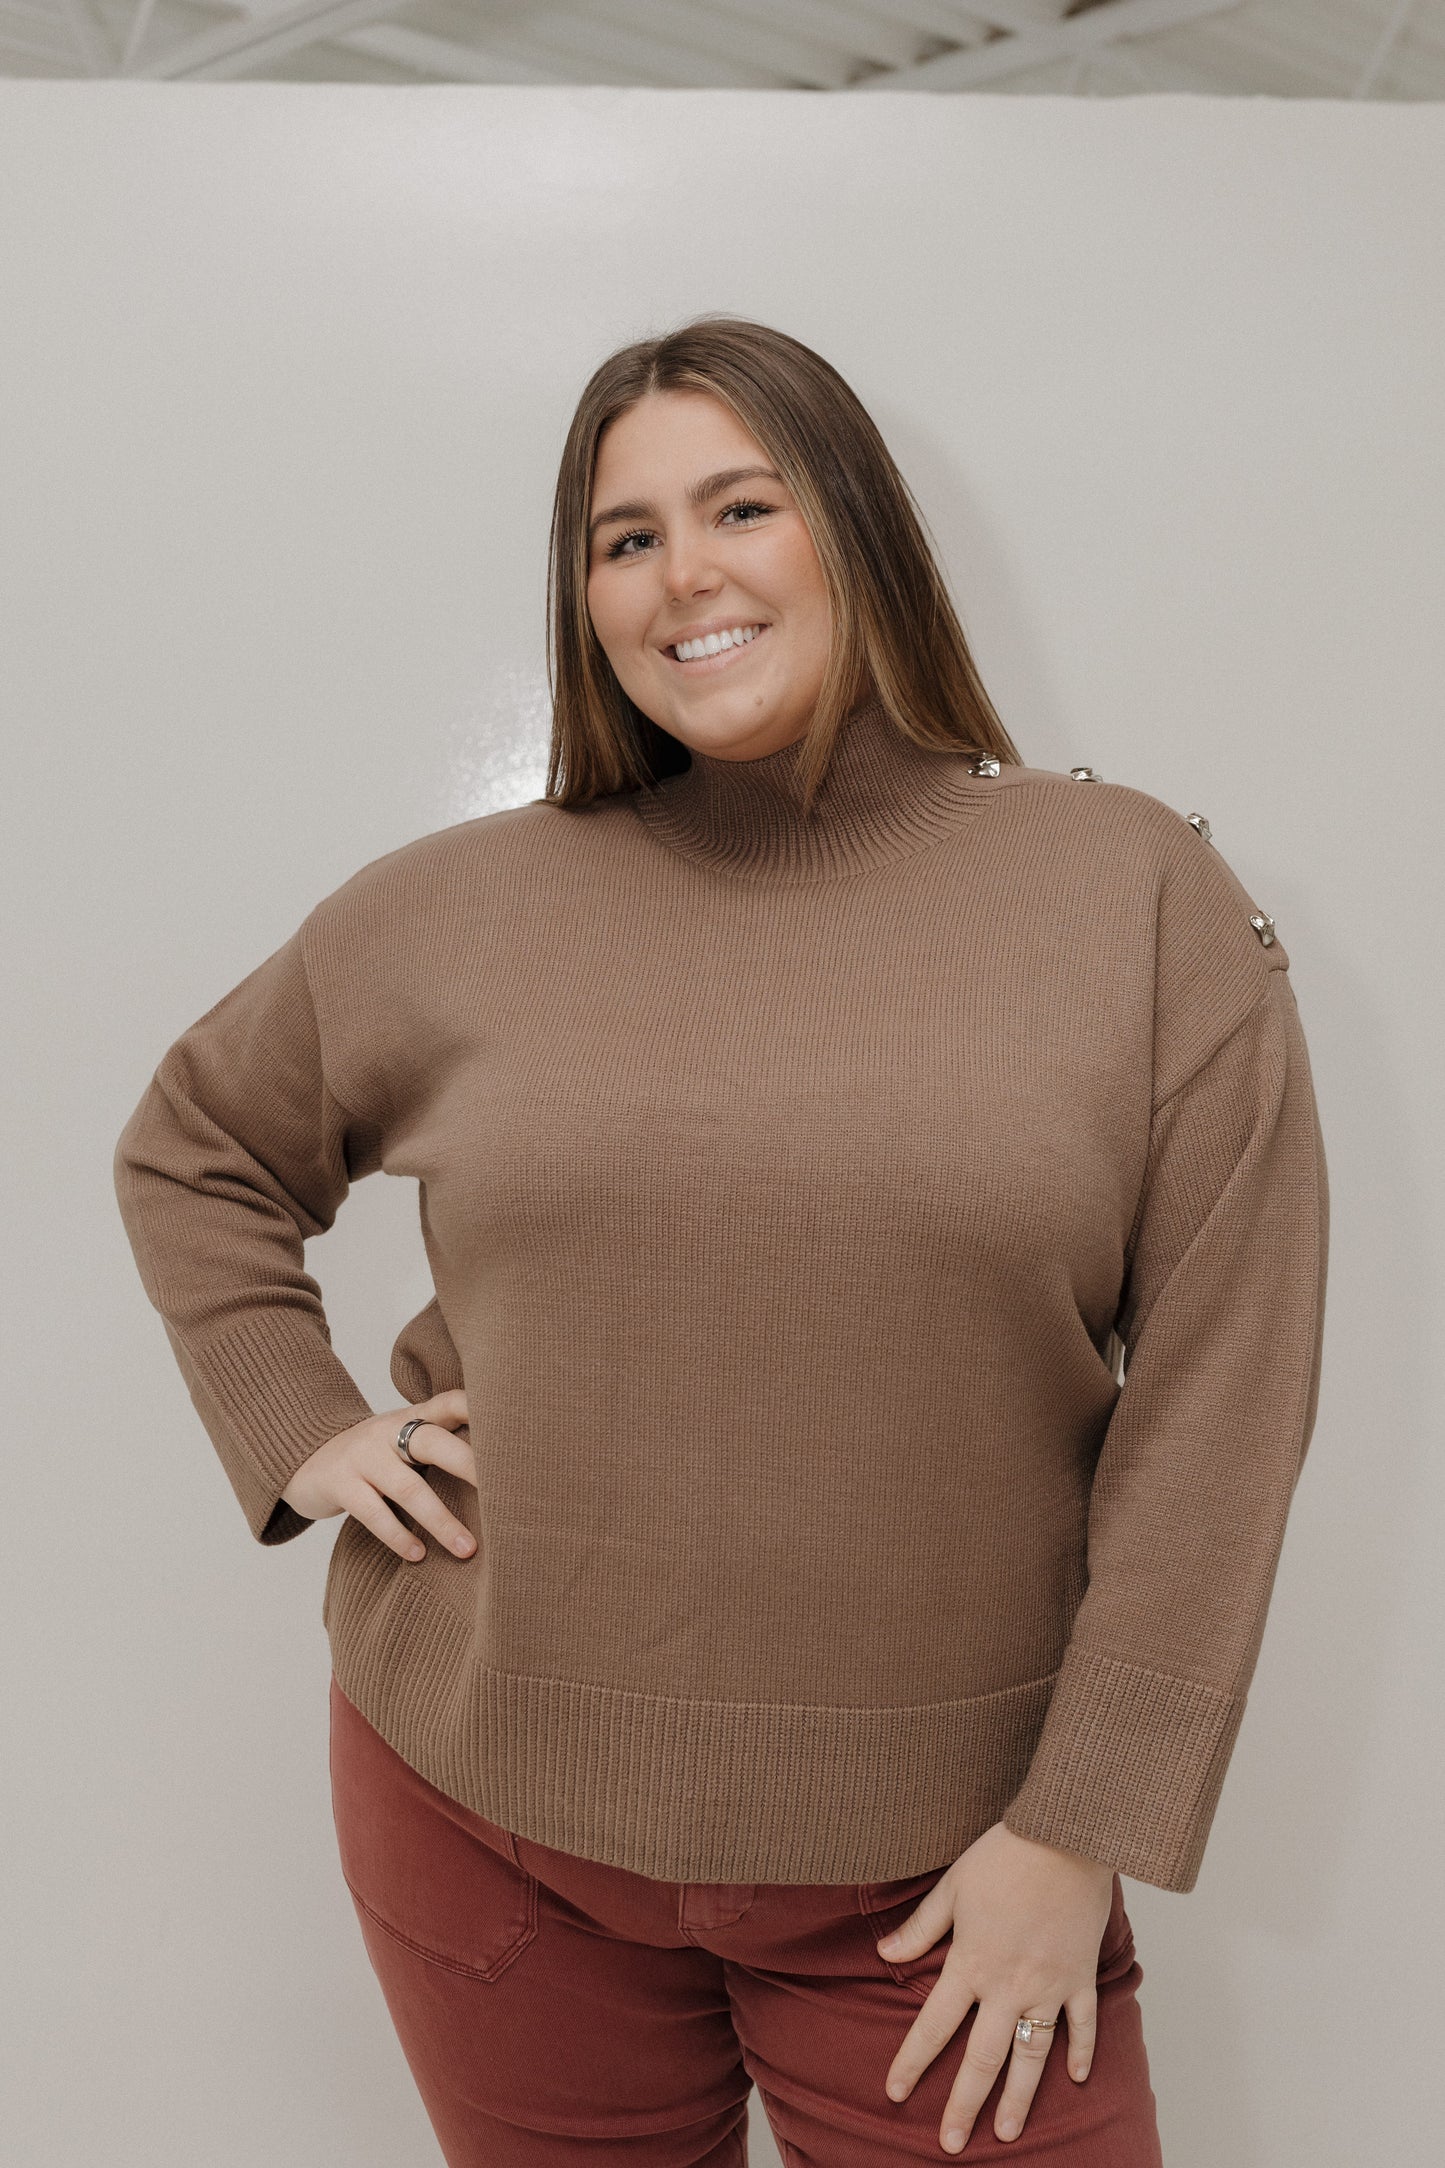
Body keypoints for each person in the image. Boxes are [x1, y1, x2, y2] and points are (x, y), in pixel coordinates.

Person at [112, 314, 1329, 2165]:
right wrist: (301, 1423)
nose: (684, 573)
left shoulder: (1129, 893)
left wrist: (1077, 1828)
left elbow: (1225, 1394)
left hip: (951, 1880)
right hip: (485, 1813)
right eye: (623, 537)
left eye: (740, 505)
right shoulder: (455, 909)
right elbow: (196, 1144)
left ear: (852, 529)